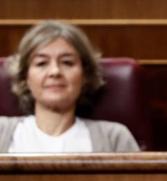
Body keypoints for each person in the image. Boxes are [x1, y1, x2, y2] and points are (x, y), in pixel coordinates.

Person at [0, 20, 139, 152]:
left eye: (67, 62)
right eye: (41, 63)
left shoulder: (114, 138)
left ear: (85, 75)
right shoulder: (2, 131)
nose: (55, 72)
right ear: (25, 77)